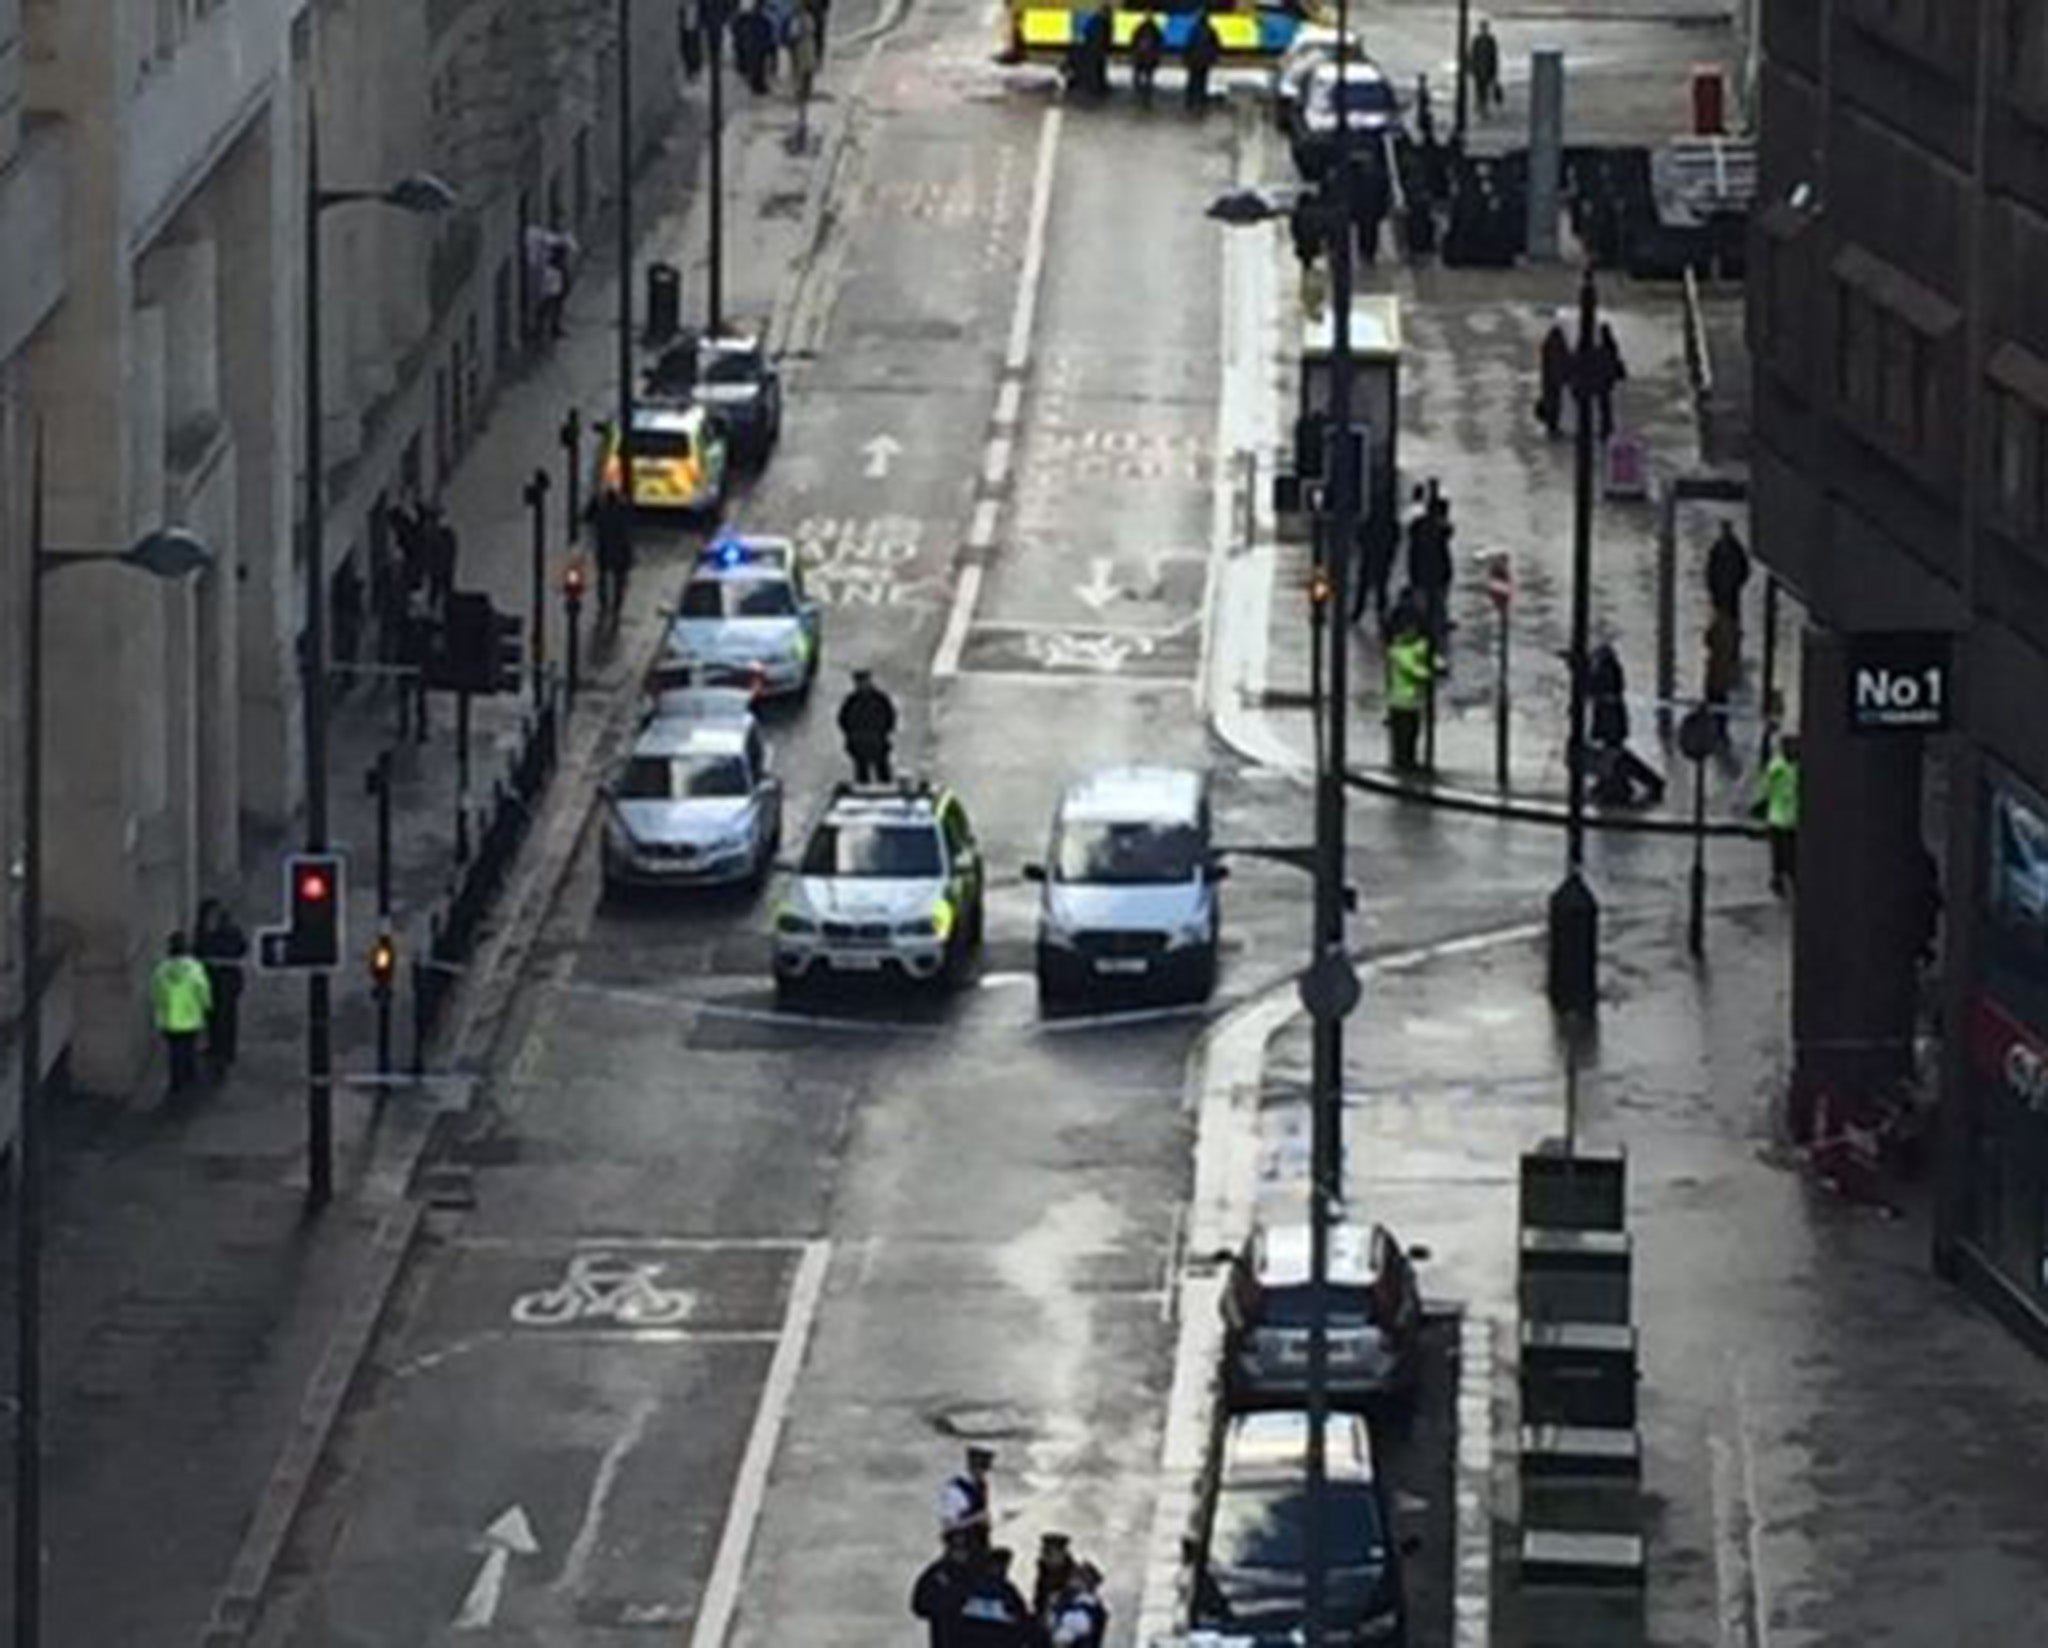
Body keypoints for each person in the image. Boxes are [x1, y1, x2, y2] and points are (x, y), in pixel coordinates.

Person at [1586, 643, 1665, 807]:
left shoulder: (1606, 672)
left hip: (1610, 723)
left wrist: (1582, 670)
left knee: (1615, 755)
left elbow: (1594, 689)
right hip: (1611, 722)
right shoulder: (1610, 671)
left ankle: (1643, 782)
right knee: (1612, 754)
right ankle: (1613, 783)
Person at [151, 930, 213, 1097]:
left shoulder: (162, 970)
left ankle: (176, 1080)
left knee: (174, 1051)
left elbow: (155, 993)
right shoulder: (194, 968)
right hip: (191, 1017)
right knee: (189, 1047)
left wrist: (160, 1010)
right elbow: (203, 990)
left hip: (169, 1018)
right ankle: (189, 1076)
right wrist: (206, 1006)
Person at [193, 899, 249, 1076]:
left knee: (224, 1017)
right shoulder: (209, 932)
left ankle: (223, 1051)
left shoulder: (225, 933)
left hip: (223, 980)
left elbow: (240, 948)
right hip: (217, 979)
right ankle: (218, 1048)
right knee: (216, 1016)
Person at [1385, 608, 1432, 774]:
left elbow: (1429, 656)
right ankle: (1401, 761)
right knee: (1402, 734)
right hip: (1400, 701)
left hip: (1414, 701)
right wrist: (1429, 673)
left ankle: (1409, 760)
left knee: (1413, 732)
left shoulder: (1419, 646)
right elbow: (1411, 668)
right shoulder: (1397, 650)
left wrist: (1439, 665)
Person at [1408, 486, 1454, 657]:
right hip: (1433, 574)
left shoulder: (1419, 526)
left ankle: (1432, 631)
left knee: (1432, 606)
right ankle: (1433, 635)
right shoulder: (1435, 528)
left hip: (1427, 574)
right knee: (1433, 607)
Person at [912, 1533, 978, 1648]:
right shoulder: (938, 1574)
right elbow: (920, 1605)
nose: (960, 1554)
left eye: (964, 1548)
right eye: (955, 1548)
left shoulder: (984, 1575)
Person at [956, 1547, 1031, 1647]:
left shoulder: (1008, 1591)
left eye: (1002, 1566)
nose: (999, 1569)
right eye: (996, 1565)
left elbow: (1021, 1621)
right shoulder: (972, 1588)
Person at [839, 668, 899, 784]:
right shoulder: (851, 701)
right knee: (862, 774)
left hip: (877, 741)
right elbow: (843, 720)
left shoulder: (879, 699)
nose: (862, 685)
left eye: (864, 682)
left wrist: (883, 732)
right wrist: (852, 735)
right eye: (860, 683)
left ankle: (885, 791)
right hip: (860, 743)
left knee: (883, 772)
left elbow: (890, 717)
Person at [1759, 733, 1800, 895]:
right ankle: (1781, 878)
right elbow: (1766, 787)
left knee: (1784, 853)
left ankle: (1783, 878)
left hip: (1784, 817)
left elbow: (1765, 787)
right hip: (1782, 817)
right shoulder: (1781, 767)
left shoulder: (1778, 766)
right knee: (1783, 854)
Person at [1705, 518, 1751, 652]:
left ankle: (1731, 644)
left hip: (1731, 590)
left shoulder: (1735, 548)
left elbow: (1744, 568)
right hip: (1720, 590)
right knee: (1721, 615)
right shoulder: (1717, 548)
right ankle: (1722, 643)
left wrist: (1737, 583)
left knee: (1731, 616)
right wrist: (1712, 587)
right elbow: (1710, 570)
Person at [591, 485, 634, 625]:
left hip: (605, 551)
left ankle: (604, 605)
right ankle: (616, 607)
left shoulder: (602, 513)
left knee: (603, 579)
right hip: (620, 552)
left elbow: (589, 518)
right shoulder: (621, 512)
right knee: (619, 582)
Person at [1047, 1561, 1108, 1647]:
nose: (1071, 1581)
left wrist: (1057, 1613)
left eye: (1076, 1578)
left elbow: (1072, 1630)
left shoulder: (1087, 1604)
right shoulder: (1069, 1600)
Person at [1588, 321, 1627, 441]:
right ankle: (1607, 428)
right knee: (1606, 406)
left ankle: (1606, 429)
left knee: (1603, 406)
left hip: (1601, 380)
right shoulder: (1611, 346)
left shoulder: (1602, 348)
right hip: (1607, 380)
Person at [1031, 1533, 1075, 1627]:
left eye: (1048, 1553)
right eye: (1043, 1552)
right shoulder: (1044, 1574)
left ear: (1061, 1554)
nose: (1043, 1557)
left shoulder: (1073, 1577)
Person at [1537, 318, 1571, 438]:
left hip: (1548, 377)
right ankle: (1552, 428)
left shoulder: (1550, 341)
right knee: (1554, 403)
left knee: (1551, 401)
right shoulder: (1558, 342)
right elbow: (1559, 361)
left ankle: (1552, 427)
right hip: (1554, 377)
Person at [733, 0, 776, 92]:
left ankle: (758, 84)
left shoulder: (762, 18)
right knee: (756, 65)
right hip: (754, 44)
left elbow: (768, 31)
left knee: (759, 66)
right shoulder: (751, 18)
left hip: (758, 44)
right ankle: (756, 84)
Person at [1182, 12, 1220, 111]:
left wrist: (1185, 58)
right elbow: (1216, 46)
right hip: (1205, 61)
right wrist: (1213, 58)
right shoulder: (1211, 30)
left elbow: (1188, 45)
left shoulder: (1194, 30)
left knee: (1192, 81)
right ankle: (1201, 101)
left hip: (1194, 60)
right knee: (1202, 81)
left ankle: (1190, 101)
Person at [1469, 18, 1501, 114]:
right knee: (1480, 89)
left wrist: (1494, 71)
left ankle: (1482, 106)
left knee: (1484, 89)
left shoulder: (1489, 40)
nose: (1484, 29)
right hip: (1480, 69)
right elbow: (1473, 55)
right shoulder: (1478, 40)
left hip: (1486, 69)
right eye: (1483, 27)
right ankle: (1481, 105)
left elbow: (1494, 56)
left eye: (1484, 27)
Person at [1130, 14, 1163, 106]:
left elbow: (1133, 40)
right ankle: (1146, 93)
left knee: (1138, 73)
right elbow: (1160, 42)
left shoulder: (1139, 28)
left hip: (1140, 57)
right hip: (1149, 58)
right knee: (1148, 76)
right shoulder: (1155, 30)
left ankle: (1138, 89)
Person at [679, 0, 705, 77]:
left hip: (692, 26)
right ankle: (692, 69)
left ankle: (694, 69)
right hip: (688, 26)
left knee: (692, 47)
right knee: (687, 47)